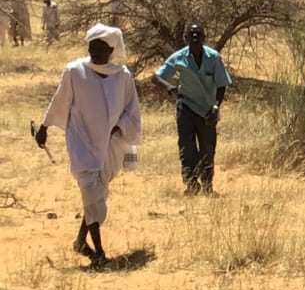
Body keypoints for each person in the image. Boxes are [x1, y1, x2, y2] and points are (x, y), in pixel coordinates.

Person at [35, 24, 141, 268]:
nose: (95, 52)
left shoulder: (122, 75)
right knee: (91, 190)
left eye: (101, 48)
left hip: (111, 144)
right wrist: (44, 128)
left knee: (97, 193)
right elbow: (60, 100)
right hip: (81, 139)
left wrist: (120, 126)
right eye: (92, 47)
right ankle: (99, 251)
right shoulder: (75, 71)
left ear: (111, 50)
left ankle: (81, 241)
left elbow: (131, 109)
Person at [152, 24, 232, 196]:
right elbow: (156, 77)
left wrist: (216, 107)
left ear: (204, 38)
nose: (195, 37)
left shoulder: (214, 57)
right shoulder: (179, 57)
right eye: (191, 34)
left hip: (208, 110)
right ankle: (191, 184)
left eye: (198, 34)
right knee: (187, 147)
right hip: (186, 107)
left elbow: (222, 85)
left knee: (208, 148)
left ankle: (208, 184)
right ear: (186, 38)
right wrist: (169, 87)